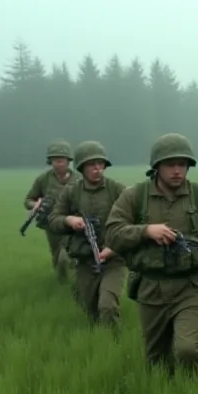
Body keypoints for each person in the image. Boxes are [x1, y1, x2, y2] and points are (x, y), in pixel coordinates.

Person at [105, 133, 198, 374]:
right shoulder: (135, 197)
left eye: (182, 165)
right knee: (156, 361)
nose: (177, 171)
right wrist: (146, 231)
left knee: (187, 350)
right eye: (171, 164)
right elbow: (113, 234)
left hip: (191, 286)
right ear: (157, 167)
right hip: (151, 288)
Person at [48, 140, 127, 333]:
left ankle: (113, 342)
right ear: (82, 167)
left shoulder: (117, 190)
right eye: (92, 164)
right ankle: (98, 337)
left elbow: (135, 219)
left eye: (101, 164)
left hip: (113, 258)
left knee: (107, 306)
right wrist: (69, 220)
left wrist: (115, 245)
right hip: (84, 260)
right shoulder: (72, 192)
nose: (97, 168)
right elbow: (53, 219)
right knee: (89, 307)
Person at [23, 139, 77, 282]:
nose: (57, 164)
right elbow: (28, 200)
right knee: (56, 254)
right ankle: (62, 280)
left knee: (69, 254)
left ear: (68, 161)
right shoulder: (43, 179)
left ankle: (78, 277)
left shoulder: (79, 179)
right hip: (51, 225)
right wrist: (35, 204)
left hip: (73, 224)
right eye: (54, 161)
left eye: (60, 161)